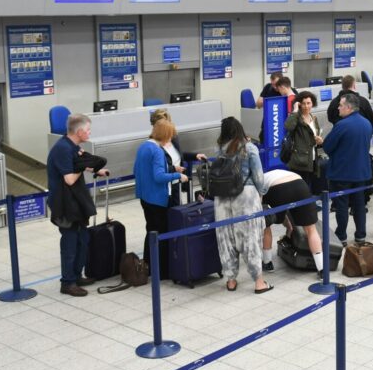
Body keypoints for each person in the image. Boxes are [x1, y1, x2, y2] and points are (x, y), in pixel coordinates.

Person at [195, 117, 271, 293]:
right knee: (249, 239)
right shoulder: (250, 148)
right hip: (245, 197)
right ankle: (259, 282)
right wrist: (262, 192)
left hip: (221, 199)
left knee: (226, 238)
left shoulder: (219, 150)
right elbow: (259, 177)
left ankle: (231, 280)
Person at [47, 113, 110, 298]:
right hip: (65, 204)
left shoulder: (73, 146)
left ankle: (77, 275)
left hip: (77, 202)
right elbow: (69, 178)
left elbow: (80, 163)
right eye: (88, 130)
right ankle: (67, 282)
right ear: (80, 131)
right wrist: (83, 167)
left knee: (83, 241)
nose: (89, 133)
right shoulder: (62, 149)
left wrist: (96, 169)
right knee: (70, 244)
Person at [134, 120, 190, 266]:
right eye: (170, 136)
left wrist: (171, 169)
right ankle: (161, 270)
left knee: (151, 231)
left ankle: (149, 264)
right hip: (158, 199)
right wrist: (178, 176)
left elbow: (137, 171)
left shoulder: (143, 146)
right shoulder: (157, 151)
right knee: (162, 234)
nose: (171, 139)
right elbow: (159, 177)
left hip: (145, 197)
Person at [323, 94, 373, 247]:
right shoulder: (367, 124)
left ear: (348, 107)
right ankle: (360, 236)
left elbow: (327, 147)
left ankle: (342, 236)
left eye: (340, 105)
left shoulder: (341, 125)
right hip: (361, 173)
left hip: (342, 173)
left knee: (342, 206)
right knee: (359, 205)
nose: (338, 108)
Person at [261, 169, 324, 276]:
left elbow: (275, 212)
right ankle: (322, 269)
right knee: (310, 229)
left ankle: (267, 263)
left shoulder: (259, 180)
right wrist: (289, 227)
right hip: (300, 185)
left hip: (276, 188)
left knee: (266, 226)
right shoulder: (279, 173)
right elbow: (285, 208)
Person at [284, 91, 324, 192]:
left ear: (312, 103)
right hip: (299, 161)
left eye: (308, 103)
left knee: (308, 186)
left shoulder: (313, 118)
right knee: (300, 189)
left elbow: (315, 135)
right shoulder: (296, 118)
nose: (306, 106)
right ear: (299, 104)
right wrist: (295, 110)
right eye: (303, 103)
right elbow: (288, 126)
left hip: (312, 158)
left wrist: (319, 140)